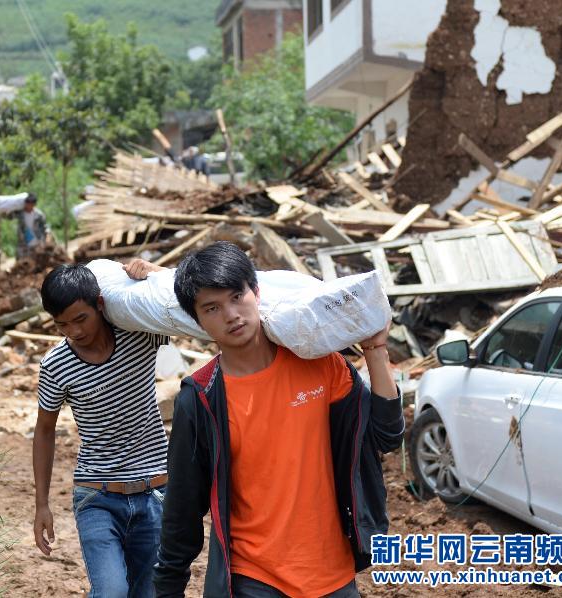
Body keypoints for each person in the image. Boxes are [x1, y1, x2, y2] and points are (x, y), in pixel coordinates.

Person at [154, 242, 405, 597]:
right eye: (212, 308)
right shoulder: (201, 397)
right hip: (253, 578)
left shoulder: (322, 365)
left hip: (333, 575)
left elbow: (386, 435)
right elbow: (183, 504)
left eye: (237, 296)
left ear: (256, 292)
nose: (231, 314)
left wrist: (376, 351)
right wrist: (168, 586)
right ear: (199, 321)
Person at [33, 260, 169, 597]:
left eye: (81, 319)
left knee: (148, 593)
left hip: (155, 491)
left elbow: (181, 304)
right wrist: (41, 504)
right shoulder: (55, 365)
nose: (75, 331)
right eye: (62, 325)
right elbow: (45, 430)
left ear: (100, 304)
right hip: (97, 495)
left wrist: (155, 272)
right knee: (110, 592)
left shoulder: (140, 334)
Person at [16, 193, 48, 259]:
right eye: (27, 203)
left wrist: (43, 241)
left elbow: (44, 228)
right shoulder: (20, 214)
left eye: (31, 203)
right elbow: (8, 215)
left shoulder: (39, 215)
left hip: (37, 242)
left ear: (34, 204)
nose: (29, 205)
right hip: (24, 243)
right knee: (24, 262)